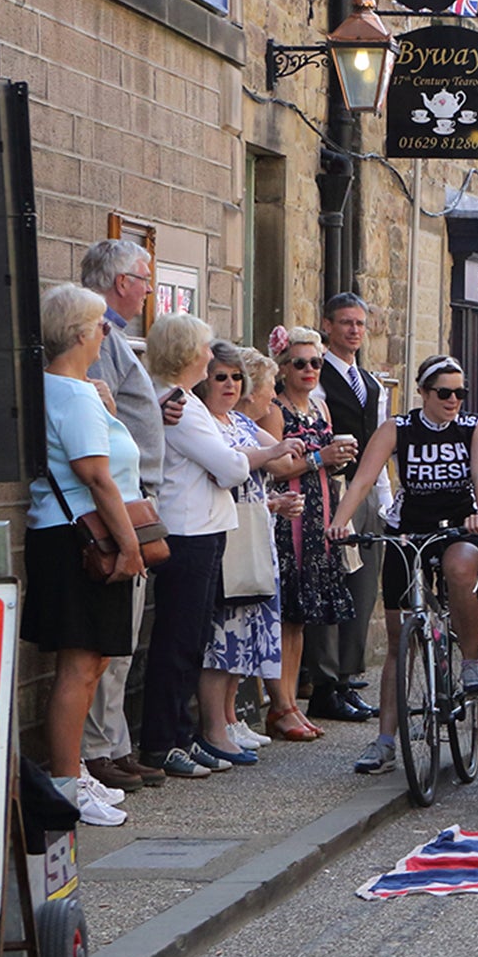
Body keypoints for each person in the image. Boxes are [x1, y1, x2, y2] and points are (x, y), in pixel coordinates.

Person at [141, 314, 301, 779]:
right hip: (187, 531)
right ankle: (161, 741)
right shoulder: (180, 404)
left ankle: (180, 735)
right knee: (177, 642)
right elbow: (230, 469)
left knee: (192, 642)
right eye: (206, 350)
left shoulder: (186, 402)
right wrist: (264, 455)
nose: (212, 358)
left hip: (206, 528)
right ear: (187, 354)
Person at [330, 355, 478, 776]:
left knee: (461, 568)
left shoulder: (475, 426)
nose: (454, 400)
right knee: (397, 637)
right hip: (409, 528)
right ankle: (385, 740)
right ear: (423, 393)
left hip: (461, 523)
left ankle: (471, 663)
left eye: (460, 392)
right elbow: (364, 479)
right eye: (444, 392)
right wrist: (338, 522)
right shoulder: (398, 429)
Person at [27, 286, 148, 824]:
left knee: (91, 662)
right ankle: (66, 784)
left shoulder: (68, 389)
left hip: (68, 534)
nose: (107, 333)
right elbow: (97, 475)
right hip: (81, 538)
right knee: (80, 666)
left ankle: (71, 773)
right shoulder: (72, 395)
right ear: (80, 333)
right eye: (102, 325)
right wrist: (130, 544)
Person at [77, 239, 180, 794]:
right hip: (117, 502)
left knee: (124, 639)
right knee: (113, 639)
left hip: (134, 495)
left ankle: (113, 744)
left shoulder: (110, 335)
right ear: (121, 282)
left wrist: (152, 409)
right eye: (144, 279)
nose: (147, 289)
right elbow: (99, 411)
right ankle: (97, 749)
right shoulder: (95, 333)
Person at [196, 343, 305, 766]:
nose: (229, 385)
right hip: (225, 533)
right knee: (221, 637)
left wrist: (274, 500)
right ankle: (214, 727)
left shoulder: (239, 419)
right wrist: (273, 452)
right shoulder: (204, 421)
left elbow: (278, 456)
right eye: (220, 377)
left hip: (254, 529)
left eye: (235, 378)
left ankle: (229, 718)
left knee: (243, 633)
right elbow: (234, 463)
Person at [265, 326, 357, 741]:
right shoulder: (274, 409)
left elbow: (323, 464)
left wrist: (335, 460)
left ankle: (291, 704)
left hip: (319, 514)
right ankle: (279, 705)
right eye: (299, 363)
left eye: (315, 363)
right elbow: (277, 467)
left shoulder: (320, 410)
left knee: (299, 619)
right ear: (283, 367)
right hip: (288, 517)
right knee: (284, 613)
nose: (308, 370)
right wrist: (322, 455)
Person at [310, 293, 386, 724]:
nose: (353, 331)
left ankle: (348, 677)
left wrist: (386, 498)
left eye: (359, 323)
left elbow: (379, 443)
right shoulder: (318, 378)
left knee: (362, 585)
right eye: (344, 323)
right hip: (332, 489)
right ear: (328, 325)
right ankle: (325, 683)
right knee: (332, 581)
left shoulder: (371, 383)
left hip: (367, 490)